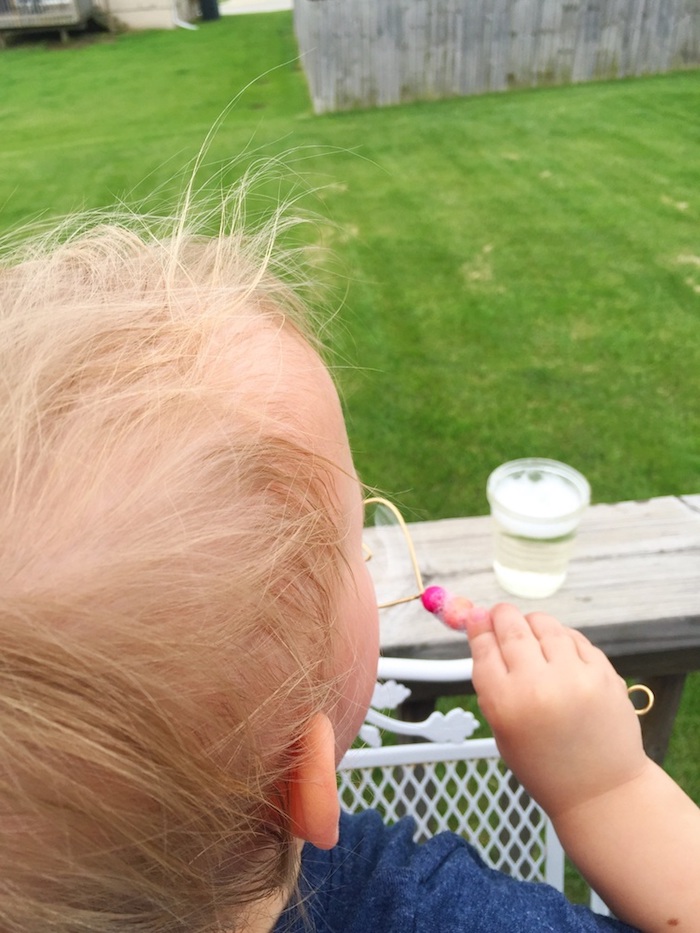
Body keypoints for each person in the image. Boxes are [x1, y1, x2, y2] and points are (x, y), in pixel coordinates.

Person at [0, 194, 698, 933]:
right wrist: (608, 788)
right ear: (302, 785)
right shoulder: (431, 910)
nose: (367, 551)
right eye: (354, 542)